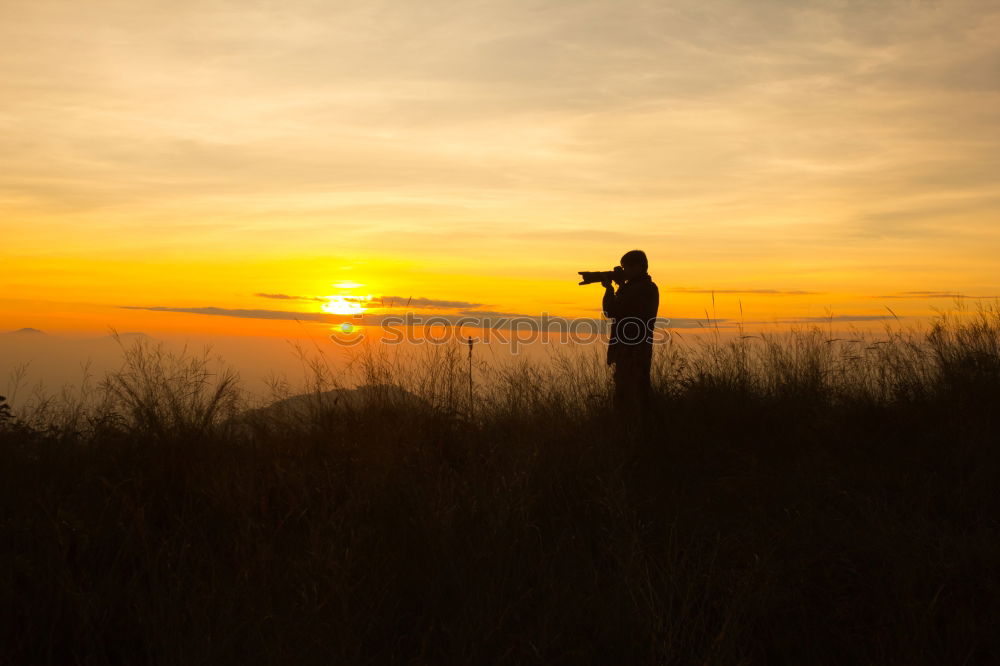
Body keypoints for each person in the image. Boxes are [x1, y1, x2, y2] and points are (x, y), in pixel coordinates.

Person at [602, 249, 659, 413]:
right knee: (634, 393)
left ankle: (632, 431)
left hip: (633, 350)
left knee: (629, 396)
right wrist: (621, 285)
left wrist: (610, 289)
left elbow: (611, 311)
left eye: (626, 267)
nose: (624, 271)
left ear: (639, 267)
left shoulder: (642, 288)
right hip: (633, 348)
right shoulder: (643, 287)